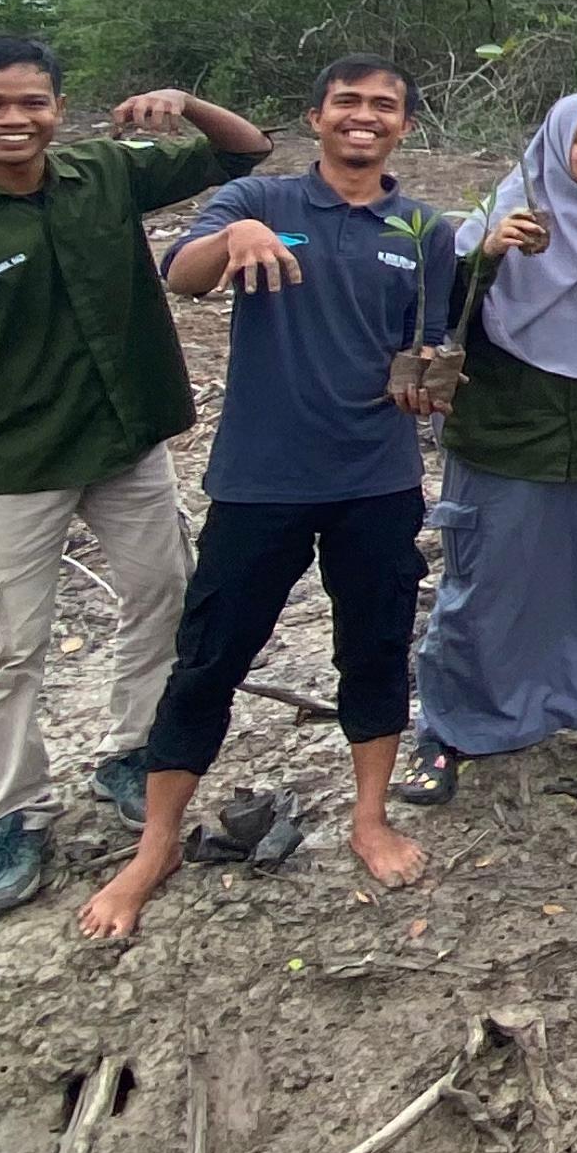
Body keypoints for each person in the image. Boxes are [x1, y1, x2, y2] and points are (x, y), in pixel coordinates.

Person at [0, 35, 270, 916]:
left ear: (56, 107)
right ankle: (12, 811)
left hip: (128, 442)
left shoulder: (105, 175)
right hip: (15, 464)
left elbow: (247, 150)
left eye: (32, 103)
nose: (14, 120)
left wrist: (182, 101)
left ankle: (130, 750)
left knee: (164, 596)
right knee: (2, 647)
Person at [80, 55, 449, 938]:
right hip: (260, 480)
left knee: (375, 646)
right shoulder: (259, 204)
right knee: (210, 655)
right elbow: (184, 274)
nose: (365, 118)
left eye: (385, 107)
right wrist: (231, 242)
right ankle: (157, 842)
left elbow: (429, 345)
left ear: (404, 125)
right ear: (317, 116)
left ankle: (368, 817)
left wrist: (428, 384)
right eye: (349, 103)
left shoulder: (423, 227)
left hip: (378, 478)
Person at [397, 91, 577, 803]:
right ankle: (451, 727)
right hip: (505, 433)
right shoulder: (496, 218)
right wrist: (491, 252)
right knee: (489, 584)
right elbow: (441, 311)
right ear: (553, 148)